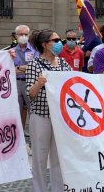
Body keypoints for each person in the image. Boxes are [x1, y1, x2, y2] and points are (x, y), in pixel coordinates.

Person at [26, 29, 71, 192]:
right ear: (45, 45)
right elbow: (30, 94)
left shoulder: (64, 63)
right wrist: (38, 83)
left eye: (60, 39)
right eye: (55, 40)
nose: (60, 42)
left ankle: (59, 189)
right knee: (39, 158)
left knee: (58, 157)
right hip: (41, 117)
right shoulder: (34, 64)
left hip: (59, 117)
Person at [12, 24, 38, 136]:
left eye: (25, 34)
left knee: (32, 110)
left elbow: (36, 67)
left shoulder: (35, 50)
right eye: (20, 34)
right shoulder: (11, 52)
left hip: (30, 82)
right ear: (16, 36)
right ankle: (19, 133)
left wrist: (20, 68)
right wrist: (20, 68)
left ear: (29, 35)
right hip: (16, 83)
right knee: (16, 110)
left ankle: (34, 132)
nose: (23, 36)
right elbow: (9, 70)